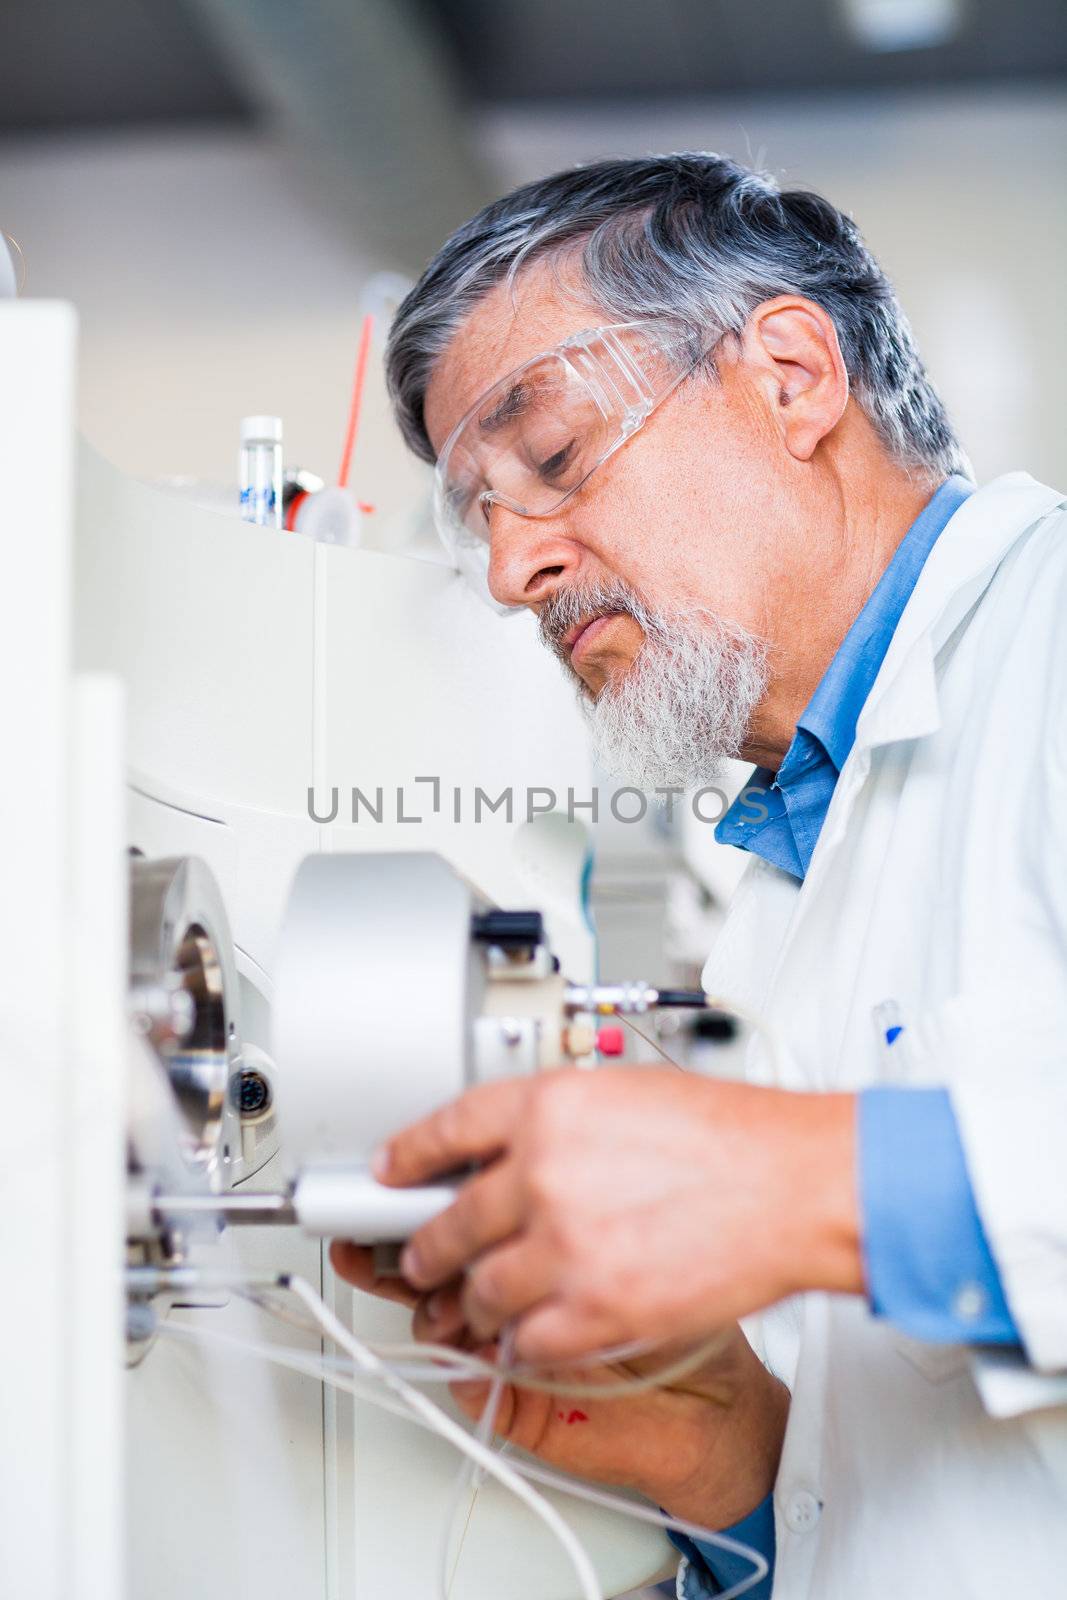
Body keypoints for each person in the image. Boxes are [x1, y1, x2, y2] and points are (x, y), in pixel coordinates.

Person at [333, 154, 1067, 1598]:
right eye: (478, 512)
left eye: (550, 460)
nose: (509, 572)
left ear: (792, 376)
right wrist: (725, 1452)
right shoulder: (778, 899)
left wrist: (800, 1190)